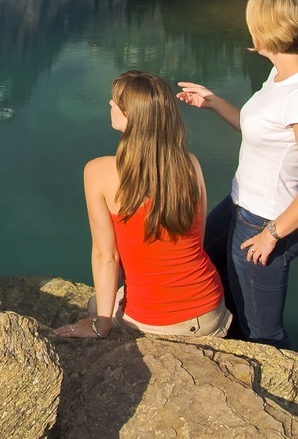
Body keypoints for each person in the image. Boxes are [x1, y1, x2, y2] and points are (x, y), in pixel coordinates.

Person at [178, 0, 298, 348]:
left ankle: (267, 388)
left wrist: (272, 235)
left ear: (266, 32)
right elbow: (264, 130)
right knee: (203, 263)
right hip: (240, 205)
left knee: (262, 329)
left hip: (267, 220)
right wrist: (214, 102)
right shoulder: (280, 76)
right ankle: (227, 350)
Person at [55, 70, 230, 339]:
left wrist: (100, 325)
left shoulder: (99, 172)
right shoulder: (190, 164)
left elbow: (106, 256)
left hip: (156, 321)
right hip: (210, 311)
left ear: (131, 115)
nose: (110, 104)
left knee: (95, 305)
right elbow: (197, 240)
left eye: (116, 101)